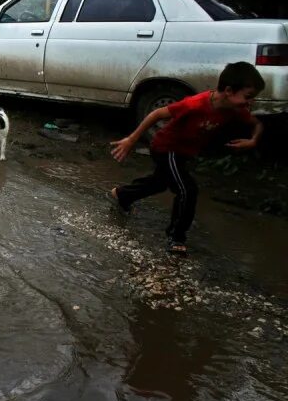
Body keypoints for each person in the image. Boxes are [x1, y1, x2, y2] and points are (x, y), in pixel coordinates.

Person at [109, 61, 264, 255]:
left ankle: (122, 194)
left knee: (159, 183)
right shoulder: (195, 104)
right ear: (229, 91)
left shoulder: (235, 110)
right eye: (248, 97)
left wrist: (253, 141)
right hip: (166, 148)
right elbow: (157, 113)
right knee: (187, 189)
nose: (250, 103)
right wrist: (131, 139)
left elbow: (257, 124)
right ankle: (176, 238)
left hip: (183, 153)